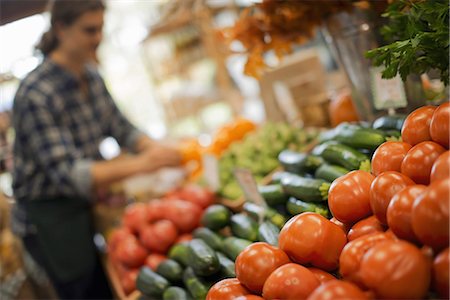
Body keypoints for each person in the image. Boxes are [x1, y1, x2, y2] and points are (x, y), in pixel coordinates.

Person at [10, 0, 182, 299]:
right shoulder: (35, 93)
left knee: (107, 279)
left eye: (101, 28)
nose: (98, 38)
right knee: (84, 290)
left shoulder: (90, 76)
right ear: (61, 29)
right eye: (89, 30)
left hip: (88, 203)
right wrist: (145, 163)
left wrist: (153, 148)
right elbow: (71, 174)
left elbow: (121, 128)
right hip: (52, 219)